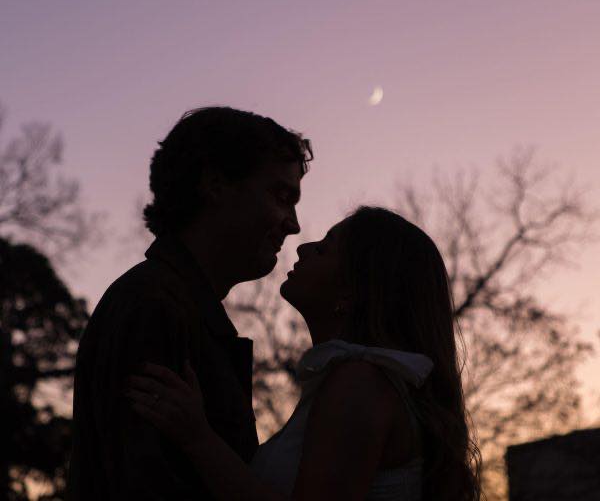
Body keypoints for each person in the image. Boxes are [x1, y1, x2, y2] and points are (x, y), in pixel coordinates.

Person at [125, 206, 484, 501]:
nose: (302, 248)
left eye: (325, 249)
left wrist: (197, 438)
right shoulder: (357, 380)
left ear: (354, 290)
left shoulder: (361, 382)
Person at [67, 107, 313, 499]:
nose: (294, 223)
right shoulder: (152, 305)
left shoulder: (176, 304)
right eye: (281, 196)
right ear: (215, 185)